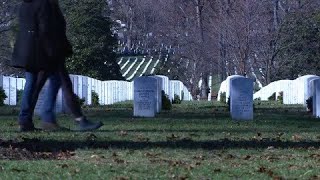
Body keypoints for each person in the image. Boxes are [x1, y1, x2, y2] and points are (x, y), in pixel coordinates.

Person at [11, 0, 103, 132]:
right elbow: (46, 30)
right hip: (45, 51)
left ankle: (26, 120)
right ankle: (56, 118)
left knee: (33, 84)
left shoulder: (26, 3)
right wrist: (53, 52)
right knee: (59, 81)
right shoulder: (44, 4)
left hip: (29, 50)